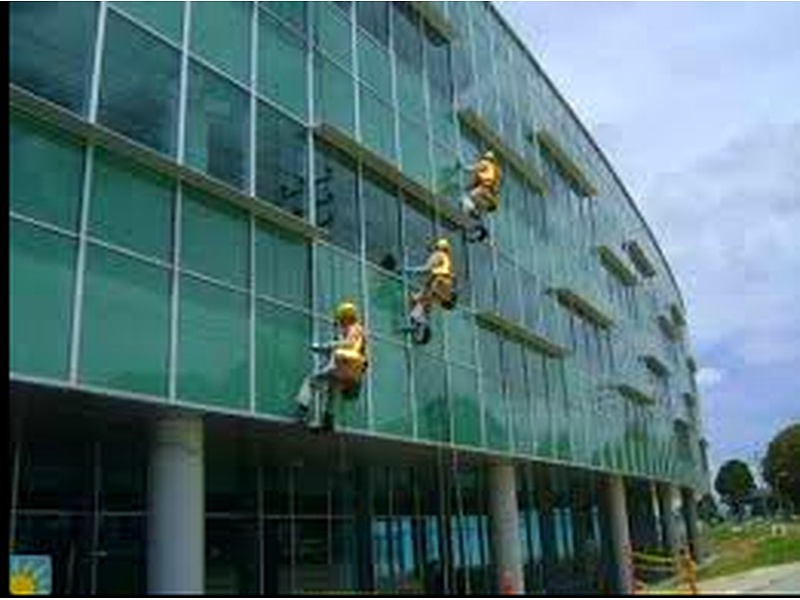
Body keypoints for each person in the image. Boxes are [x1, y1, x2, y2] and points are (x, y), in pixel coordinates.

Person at [296, 301, 367, 430]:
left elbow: (347, 343)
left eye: (341, 320)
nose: (340, 324)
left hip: (345, 364)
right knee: (332, 391)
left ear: (345, 317)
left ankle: (302, 411)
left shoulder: (353, 328)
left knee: (311, 380)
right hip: (354, 371)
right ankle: (328, 421)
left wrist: (323, 346)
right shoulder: (359, 331)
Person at [407, 237, 456, 317]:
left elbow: (427, 268)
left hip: (439, 279)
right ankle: (417, 316)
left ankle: (416, 315)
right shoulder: (445, 257)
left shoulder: (439, 255)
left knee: (425, 297)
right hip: (444, 281)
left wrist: (411, 270)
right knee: (425, 298)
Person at [462, 150, 502, 224]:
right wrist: (469, 187)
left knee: (469, 197)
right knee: (477, 202)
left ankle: (473, 212)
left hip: (484, 188)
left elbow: (475, 168)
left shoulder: (485, 163)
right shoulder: (495, 169)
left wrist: (464, 168)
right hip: (490, 192)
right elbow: (477, 182)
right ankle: (477, 214)